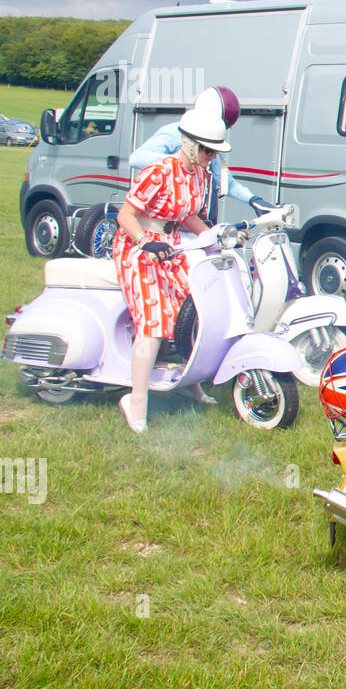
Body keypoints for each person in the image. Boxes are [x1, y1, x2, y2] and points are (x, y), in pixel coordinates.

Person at [112, 108, 231, 432]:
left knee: (191, 311)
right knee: (152, 320)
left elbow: (188, 215)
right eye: (207, 150)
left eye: (214, 151)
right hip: (137, 246)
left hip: (169, 244)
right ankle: (135, 401)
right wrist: (144, 242)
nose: (211, 156)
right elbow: (125, 215)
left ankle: (188, 381)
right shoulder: (159, 172)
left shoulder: (200, 175)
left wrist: (213, 238)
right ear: (192, 145)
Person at [129, 86, 273, 221]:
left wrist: (253, 200)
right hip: (170, 222)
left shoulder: (207, 147)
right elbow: (137, 158)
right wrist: (181, 162)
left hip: (197, 220)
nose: (212, 154)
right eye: (208, 149)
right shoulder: (176, 133)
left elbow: (226, 183)